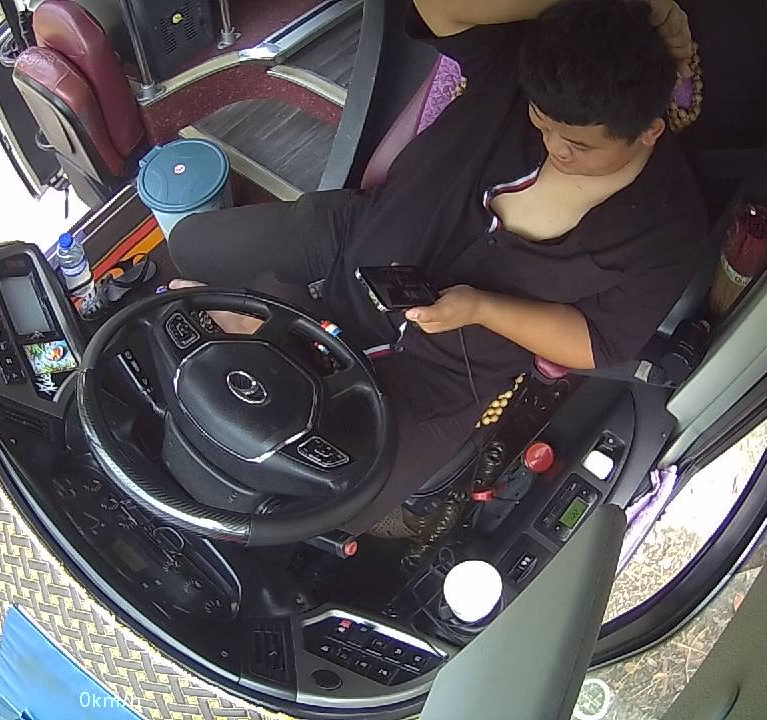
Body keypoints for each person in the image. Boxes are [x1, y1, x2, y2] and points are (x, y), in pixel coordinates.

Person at [168, 0, 707, 536]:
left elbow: (598, 341)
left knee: (323, 505)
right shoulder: (519, 68)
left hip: (442, 376)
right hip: (351, 243)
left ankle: (274, 347)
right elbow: (438, 6)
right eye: (542, 124)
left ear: (648, 130)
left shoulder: (665, 227)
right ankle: (270, 340)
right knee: (190, 247)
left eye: (580, 145)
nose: (554, 149)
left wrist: (483, 308)